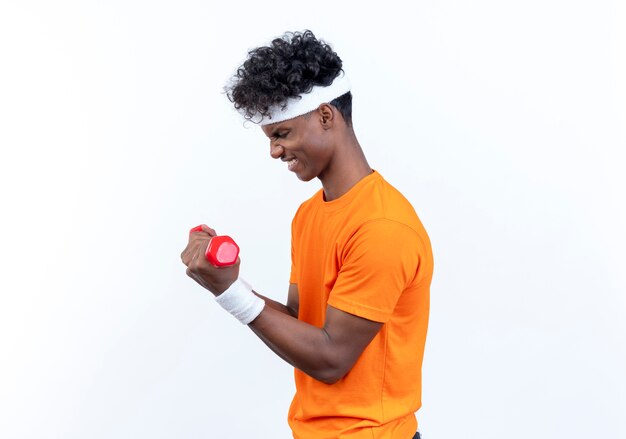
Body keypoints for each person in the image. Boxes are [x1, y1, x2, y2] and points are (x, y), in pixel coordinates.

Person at [181, 30, 433, 439]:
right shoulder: (310, 214)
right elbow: (305, 327)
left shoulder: (382, 228)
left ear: (325, 117)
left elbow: (332, 359)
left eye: (281, 134)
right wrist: (226, 282)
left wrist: (232, 294)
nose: (274, 152)